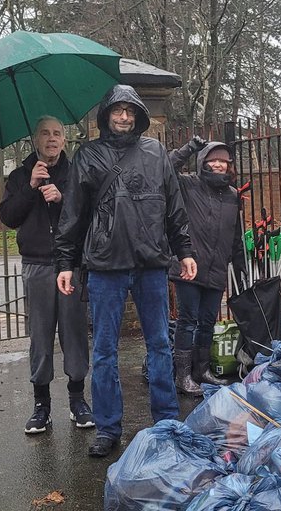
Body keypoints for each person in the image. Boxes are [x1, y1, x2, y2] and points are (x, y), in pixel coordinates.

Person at [54, 84, 197, 458]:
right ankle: (107, 427)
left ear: (138, 116)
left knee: (160, 344)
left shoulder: (156, 154)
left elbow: (173, 208)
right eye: (117, 111)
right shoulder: (88, 156)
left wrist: (184, 250)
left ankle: (166, 421)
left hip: (150, 264)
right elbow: (73, 215)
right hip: (105, 266)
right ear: (106, 116)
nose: (123, 117)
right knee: (103, 350)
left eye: (129, 111)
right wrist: (66, 263)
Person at [0, 115, 93, 436]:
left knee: (74, 332)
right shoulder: (20, 176)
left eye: (57, 134)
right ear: (35, 140)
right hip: (37, 265)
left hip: (70, 265)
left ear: (64, 141)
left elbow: (88, 217)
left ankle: (78, 400)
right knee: (40, 335)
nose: (51, 139)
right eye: (45, 134)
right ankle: (42, 406)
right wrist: (31, 187)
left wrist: (63, 199)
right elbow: (9, 217)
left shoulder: (75, 174)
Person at [168, 135, 248, 395]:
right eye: (212, 160)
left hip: (216, 269)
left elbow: (235, 234)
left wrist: (240, 265)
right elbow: (165, 168)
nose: (217, 165)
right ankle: (182, 376)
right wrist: (189, 148)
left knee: (207, 322)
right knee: (187, 320)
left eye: (223, 161)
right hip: (189, 265)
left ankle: (201, 371)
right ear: (203, 162)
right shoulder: (190, 185)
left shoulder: (233, 195)